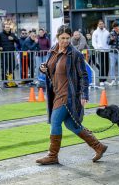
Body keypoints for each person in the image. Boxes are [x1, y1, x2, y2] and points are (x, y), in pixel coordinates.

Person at [36, 25, 107, 165]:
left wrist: (84, 94)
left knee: (55, 122)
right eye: (62, 38)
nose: (65, 41)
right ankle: (99, 147)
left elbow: (84, 76)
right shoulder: (53, 50)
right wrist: (43, 68)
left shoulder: (75, 54)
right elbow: (50, 68)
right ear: (57, 37)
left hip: (68, 95)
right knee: (72, 125)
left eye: (67, 38)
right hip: (56, 93)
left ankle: (52, 155)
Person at [0, 23, 20, 87]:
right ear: (4, 28)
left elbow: (18, 41)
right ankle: (5, 82)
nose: (7, 28)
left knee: (12, 67)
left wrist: (13, 39)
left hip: (11, 53)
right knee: (4, 68)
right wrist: (0, 46)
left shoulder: (12, 34)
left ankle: (12, 81)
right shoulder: (0, 34)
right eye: (6, 27)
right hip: (4, 53)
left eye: (8, 27)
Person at [92, 20, 110, 86]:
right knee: (102, 65)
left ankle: (105, 80)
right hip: (100, 51)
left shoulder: (107, 32)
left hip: (107, 51)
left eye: (102, 24)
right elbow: (94, 42)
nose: (101, 25)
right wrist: (97, 49)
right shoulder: (95, 32)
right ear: (98, 25)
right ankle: (101, 80)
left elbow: (109, 41)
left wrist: (109, 48)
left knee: (107, 65)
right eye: (100, 24)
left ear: (104, 24)